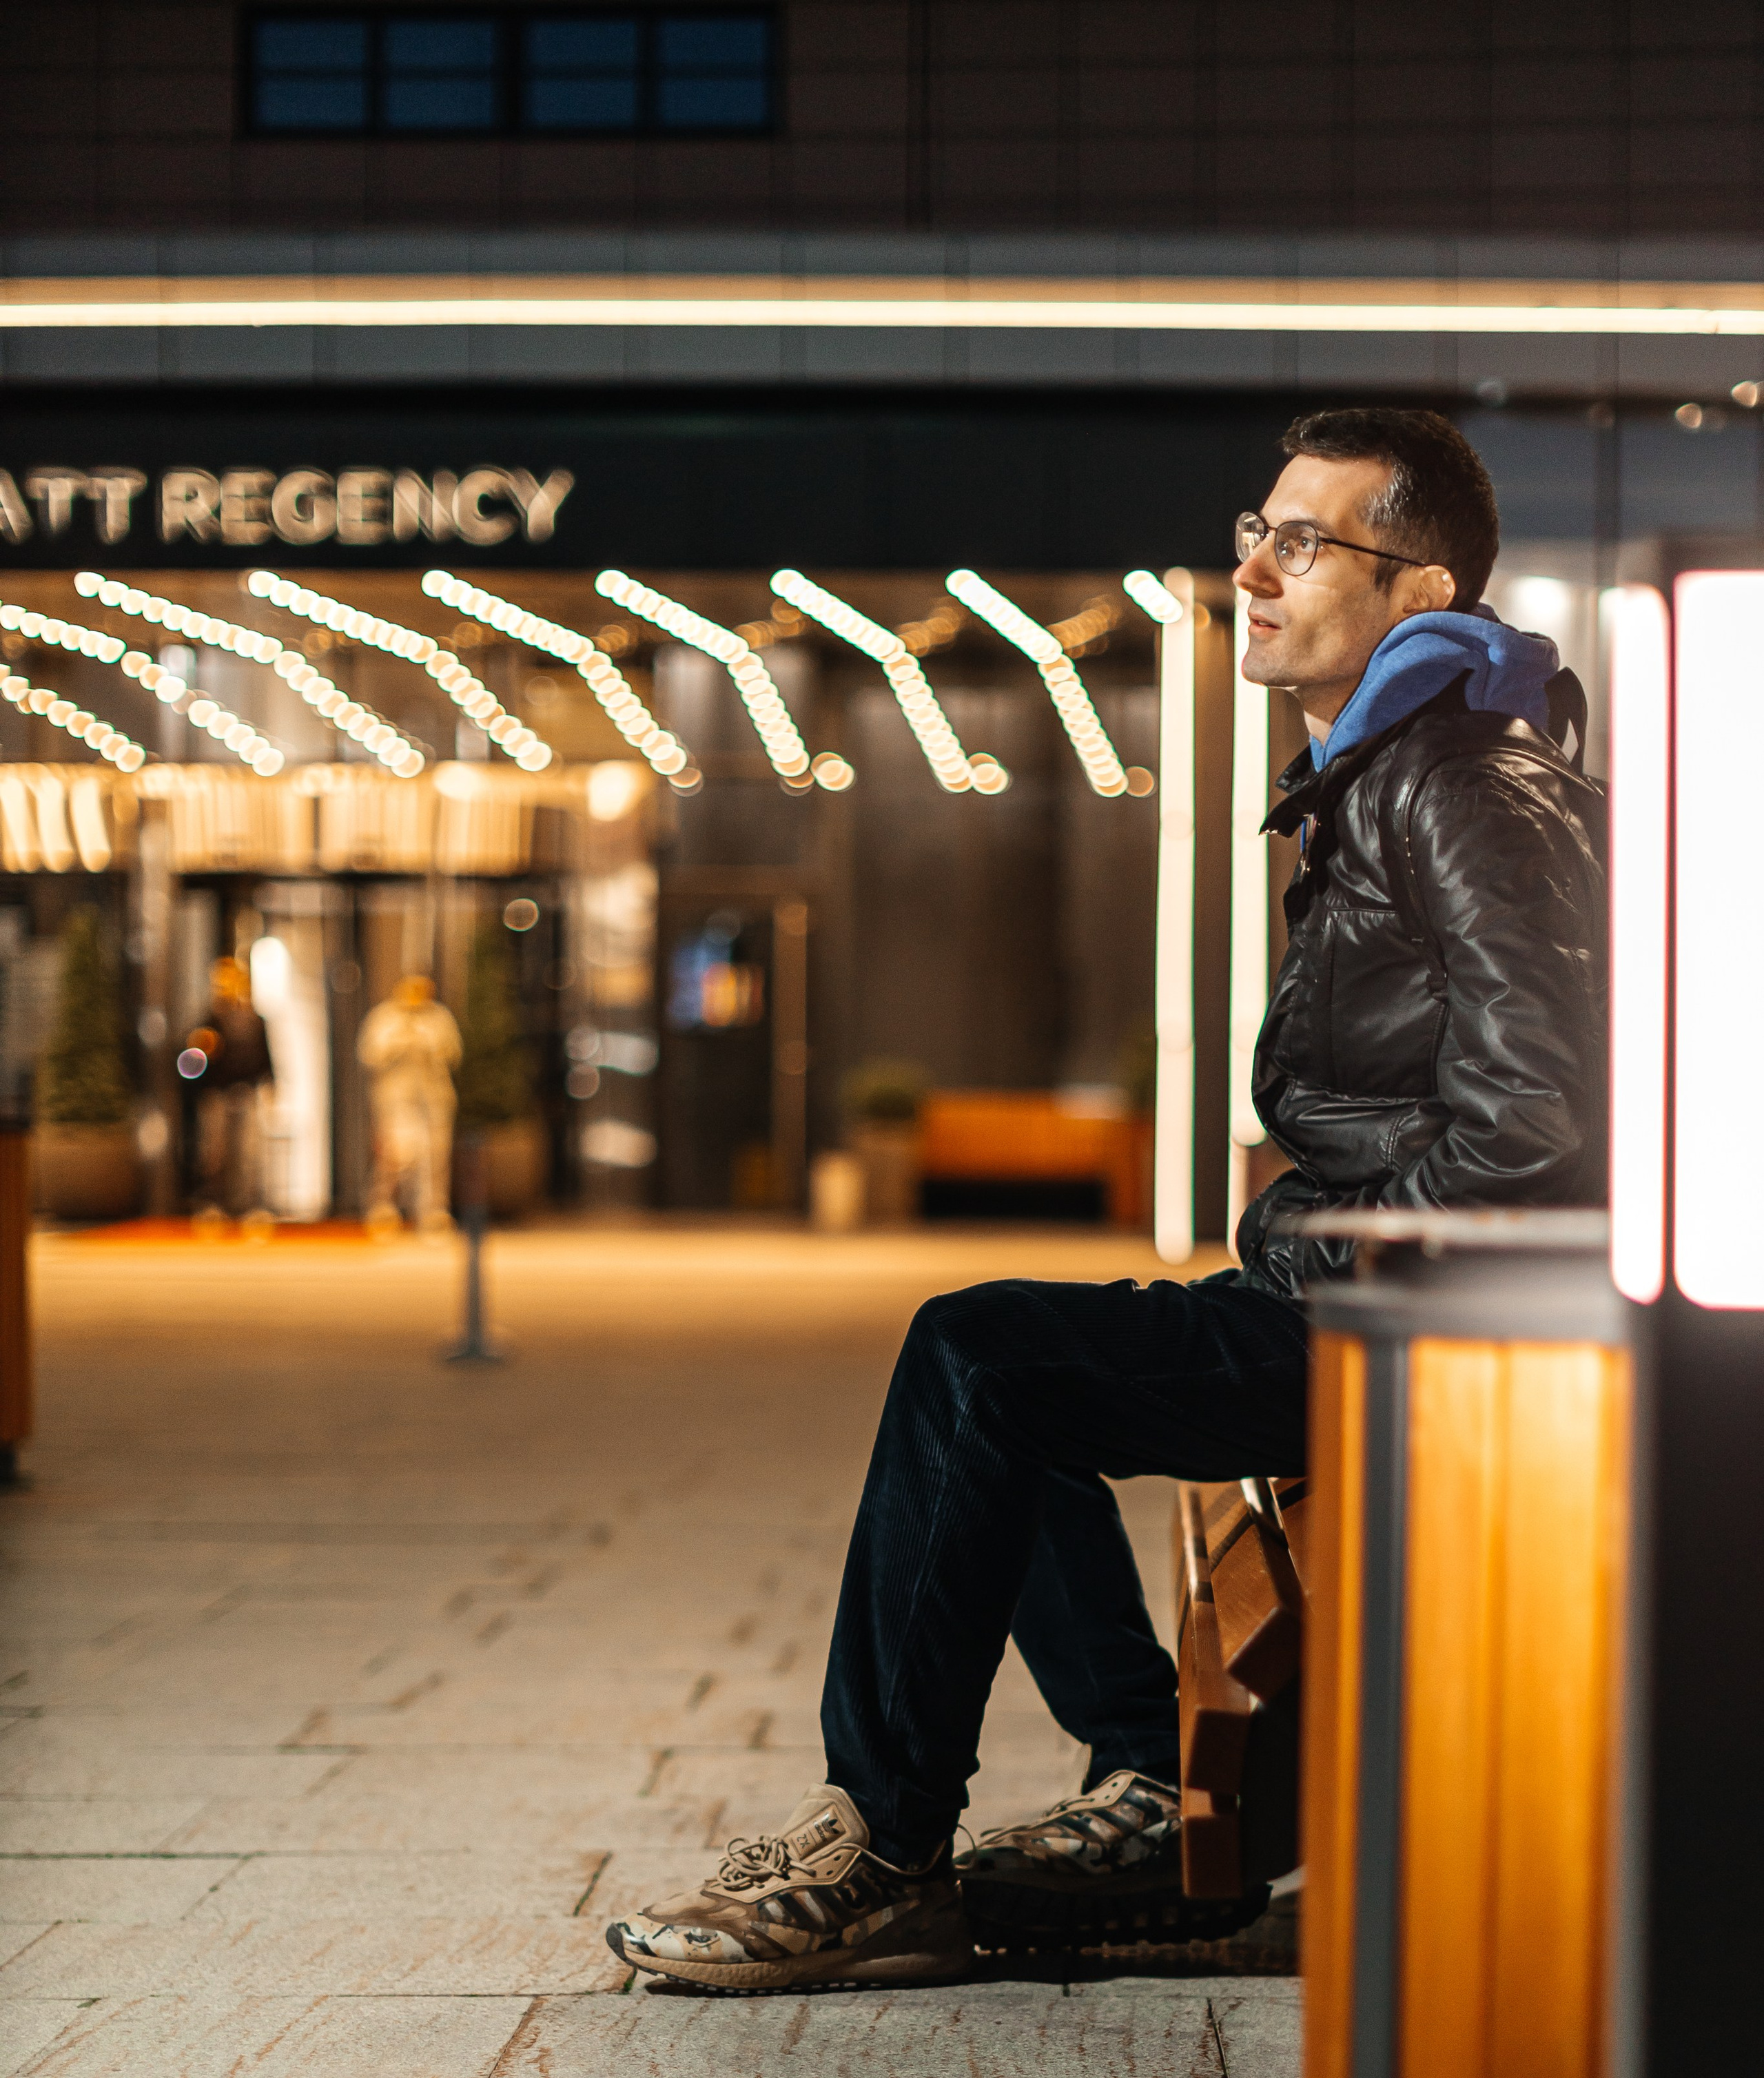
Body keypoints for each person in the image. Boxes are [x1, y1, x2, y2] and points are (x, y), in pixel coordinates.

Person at [606, 406, 1609, 1993]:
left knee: (981, 1357)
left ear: (1419, 591)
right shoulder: (1397, 770)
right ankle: (1143, 1772)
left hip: (1406, 1318)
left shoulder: (1463, 786)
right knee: (994, 1367)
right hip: (1362, 1289)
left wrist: (1347, 1247)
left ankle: (881, 1845)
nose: (1252, 570)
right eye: (1255, 532)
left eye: (1304, 542)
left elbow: (1537, 1112)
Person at [357, 971, 462, 1231]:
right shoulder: (385, 1016)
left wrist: (427, 1043)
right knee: (395, 1155)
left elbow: (453, 1053)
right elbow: (371, 1054)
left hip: (434, 1096)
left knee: (436, 1157)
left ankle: (434, 1211)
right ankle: (384, 1207)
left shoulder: (439, 1017)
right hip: (397, 1099)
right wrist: (401, 1040)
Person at [183, 956, 274, 1220]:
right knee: (215, 1153)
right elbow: (192, 1062)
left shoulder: (255, 1019)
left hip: (247, 1092)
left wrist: (270, 1085)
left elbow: (265, 1056)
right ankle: (214, 1204)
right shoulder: (210, 1020)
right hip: (217, 1094)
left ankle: (249, 1207)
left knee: (249, 1153)